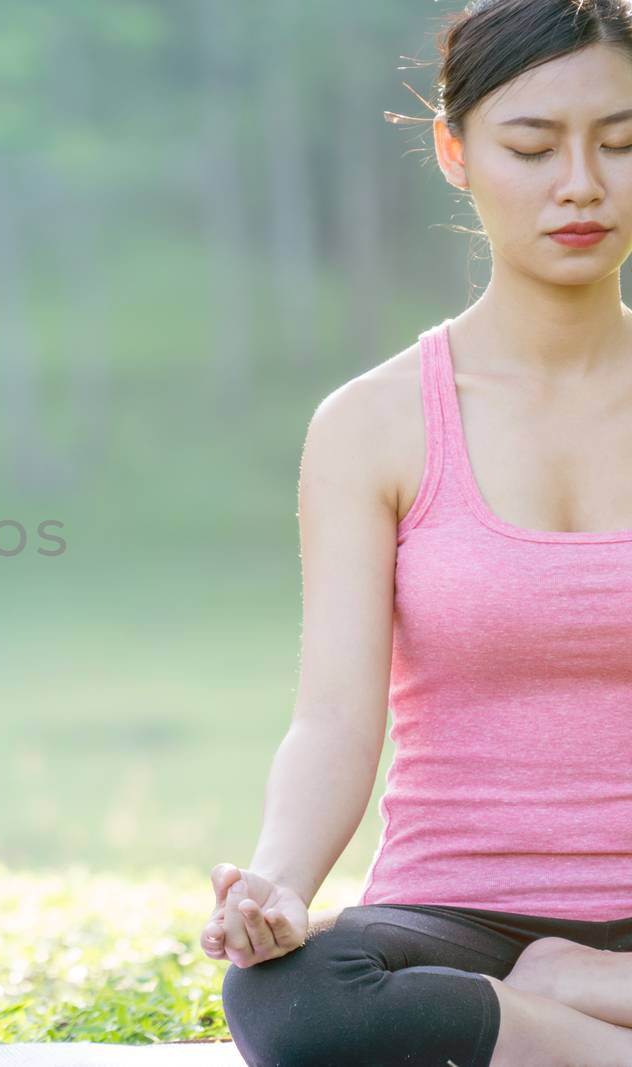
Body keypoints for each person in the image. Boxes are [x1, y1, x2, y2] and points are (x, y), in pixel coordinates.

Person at [200, 2, 632, 1065]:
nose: (579, 182)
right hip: (457, 914)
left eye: (620, 143)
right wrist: (280, 883)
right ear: (456, 151)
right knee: (297, 997)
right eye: (531, 146)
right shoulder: (373, 424)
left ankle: (586, 998)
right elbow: (336, 717)